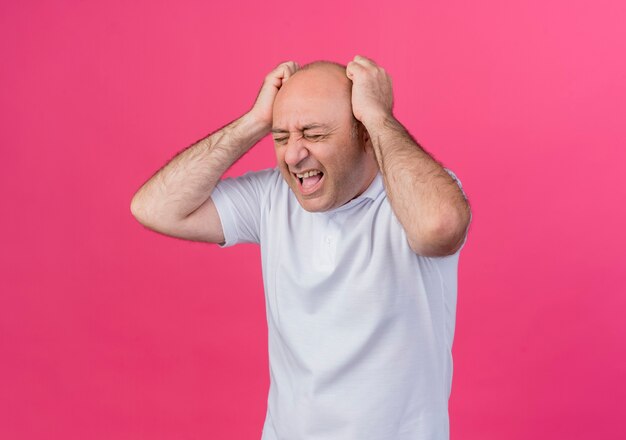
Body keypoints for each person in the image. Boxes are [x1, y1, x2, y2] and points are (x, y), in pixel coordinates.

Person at [131, 54, 472, 440]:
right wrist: (253, 123)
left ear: (362, 133)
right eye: (281, 138)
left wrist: (379, 117)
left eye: (313, 134)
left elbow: (439, 229)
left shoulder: (414, 196)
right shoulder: (272, 196)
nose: (293, 154)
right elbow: (154, 208)